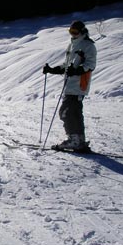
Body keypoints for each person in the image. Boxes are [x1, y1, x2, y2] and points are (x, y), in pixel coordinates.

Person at [43, 20, 97, 151]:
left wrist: (77, 70)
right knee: (74, 112)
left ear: (82, 31)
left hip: (79, 84)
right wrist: (52, 69)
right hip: (70, 85)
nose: (72, 34)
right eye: (70, 32)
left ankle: (74, 140)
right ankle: (79, 140)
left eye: (75, 32)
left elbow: (90, 65)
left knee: (66, 112)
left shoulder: (88, 46)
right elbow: (66, 66)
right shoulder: (72, 45)